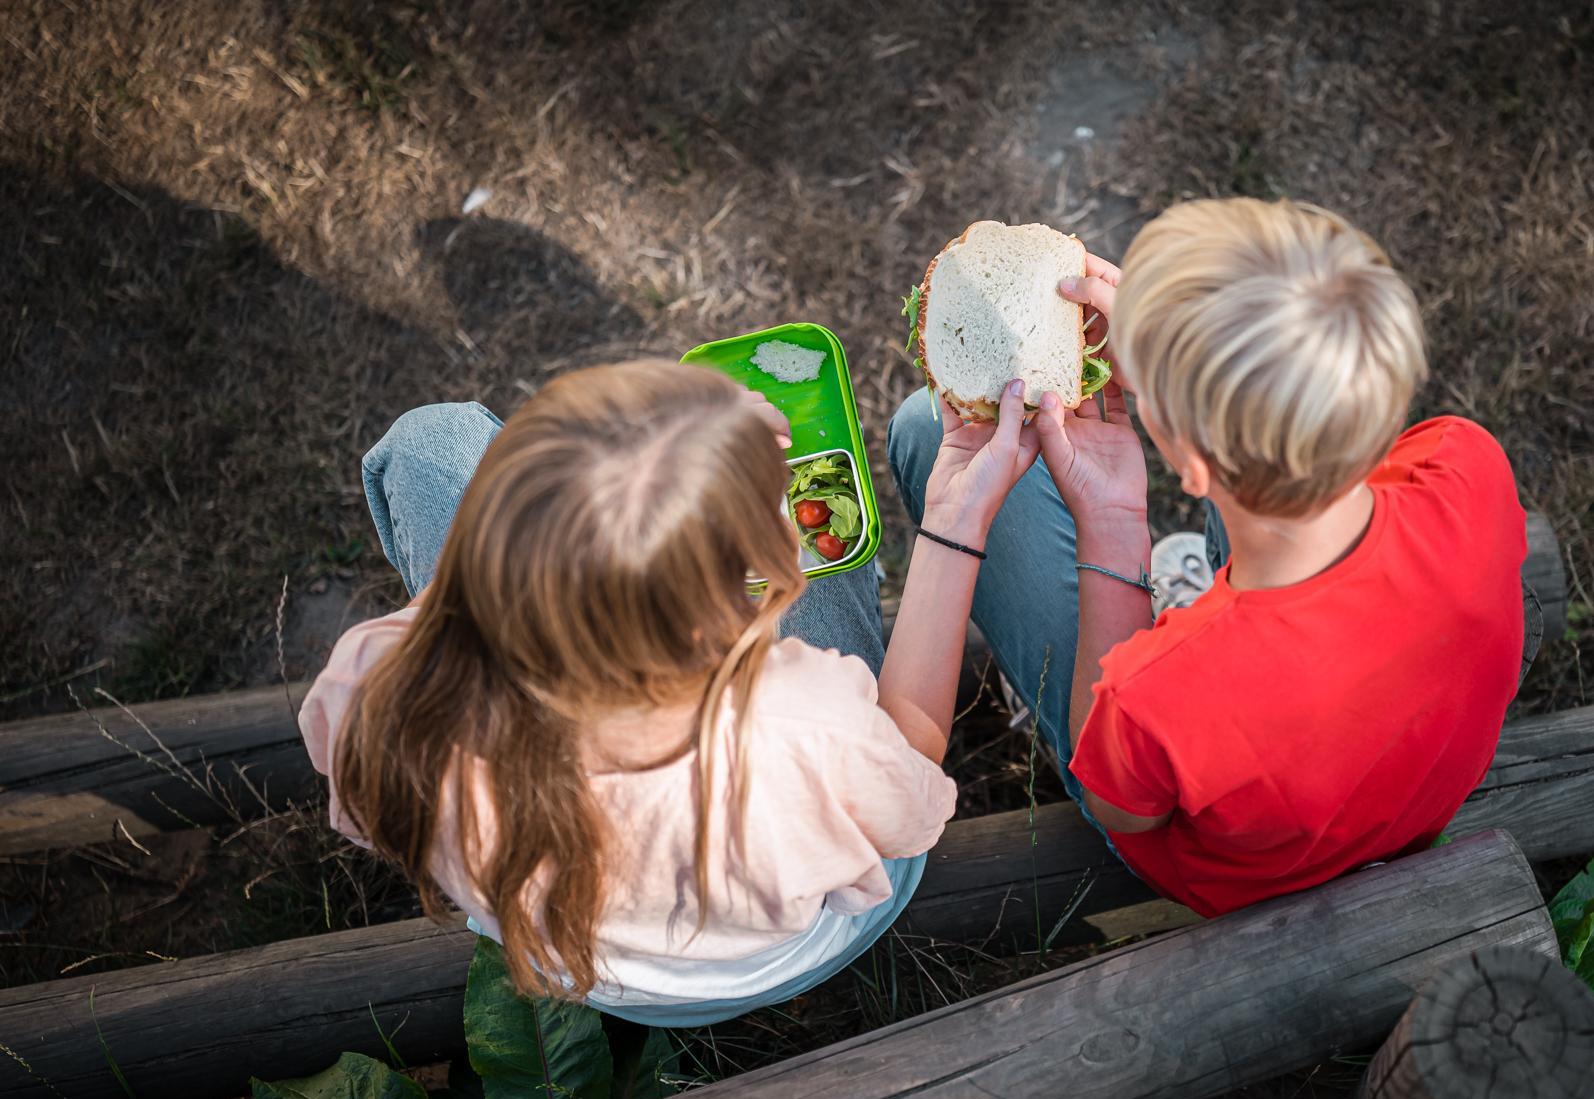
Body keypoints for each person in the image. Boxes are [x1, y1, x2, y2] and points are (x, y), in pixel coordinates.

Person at [300, 358, 1039, 1023]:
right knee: (828, 554)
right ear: (724, 611)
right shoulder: (803, 721)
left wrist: (515, 556)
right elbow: (911, 792)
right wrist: (953, 521)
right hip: (803, 941)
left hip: (593, 967)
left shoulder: (388, 692)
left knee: (431, 439)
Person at [888, 198, 1527, 917]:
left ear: (1189, 464)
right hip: (1400, 799)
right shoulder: (1464, 463)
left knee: (922, 430)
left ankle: (1169, 600)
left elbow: (1120, 806)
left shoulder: (1160, 695)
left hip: (1232, 875)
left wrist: (1115, 524)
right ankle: (1213, 583)